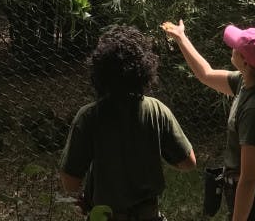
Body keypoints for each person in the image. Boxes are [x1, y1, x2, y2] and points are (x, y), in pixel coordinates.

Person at [59, 25, 197, 221]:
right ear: (145, 68)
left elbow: (70, 182)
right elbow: (188, 163)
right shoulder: (157, 110)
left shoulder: (89, 117)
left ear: (99, 71)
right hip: (148, 214)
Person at [161, 19, 255, 221]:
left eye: (236, 47)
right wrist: (181, 38)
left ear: (246, 62)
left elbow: (249, 179)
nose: (232, 48)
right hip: (254, 200)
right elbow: (206, 74)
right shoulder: (248, 82)